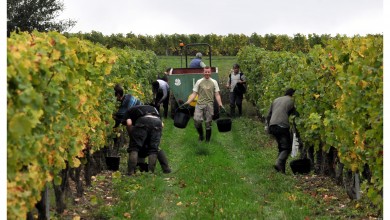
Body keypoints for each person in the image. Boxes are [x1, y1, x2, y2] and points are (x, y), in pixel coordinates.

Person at [113, 84, 171, 174]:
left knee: (134, 148)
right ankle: (151, 172)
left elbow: (129, 123)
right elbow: (162, 125)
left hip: (142, 122)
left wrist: (132, 136)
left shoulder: (129, 110)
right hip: (157, 123)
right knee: (154, 149)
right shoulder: (153, 109)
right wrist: (153, 137)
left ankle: (131, 172)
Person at [184, 66, 223, 142]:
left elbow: (217, 94)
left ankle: (207, 141)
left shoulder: (214, 82)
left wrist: (220, 104)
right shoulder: (199, 81)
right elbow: (194, 94)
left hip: (209, 104)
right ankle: (201, 135)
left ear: (210, 72)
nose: (207, 73)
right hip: (199, 104)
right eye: (206, 72)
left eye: (208, 72)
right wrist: (188, 102)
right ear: (203, 72)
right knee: (197, 120)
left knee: (208, 123)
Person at [266, 88, 298, 174]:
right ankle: (278, 163)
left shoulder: (276, 100)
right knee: (287, 148)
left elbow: (268, 115)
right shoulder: (292, 101)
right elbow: (296, 114)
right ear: (293, 94)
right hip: (282, 126)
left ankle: (281, 170)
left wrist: (268, 127)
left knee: (281, 147)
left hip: (272, 125)